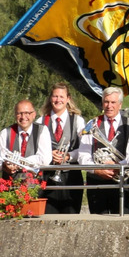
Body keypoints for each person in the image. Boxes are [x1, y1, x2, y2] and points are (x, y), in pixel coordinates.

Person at [78, 87, 129, 214]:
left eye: (113, 102)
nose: (109, 106)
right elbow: (83, 155)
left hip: (122, 182)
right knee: (97, 224)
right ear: (102, 103)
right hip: (97, 183)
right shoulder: (92, 123)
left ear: (120, 104)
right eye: (106, 102)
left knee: (124, 222)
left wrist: (118, 166)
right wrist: (97, 169)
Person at [39, 83, 86, 214]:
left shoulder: (78, 121)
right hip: (48, 176)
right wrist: (49, 154)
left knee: (71, 217)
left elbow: (84, 148)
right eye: (55, 96)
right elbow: (36, 149)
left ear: (68, 99)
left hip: (71, 175)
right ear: (50, 98)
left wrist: (68, 156)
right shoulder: (40, 121)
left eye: (61, 96)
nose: (58, 100)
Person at [0, 100, 52, 181]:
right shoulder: (5, 133)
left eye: (27, 113)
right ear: (15, 115)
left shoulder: (42, 130)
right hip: (10, 185)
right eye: (19, 113)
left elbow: (45, 159)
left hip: (35, 184)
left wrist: (18, 162)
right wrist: (4, 165)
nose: (23, 117)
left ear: (34, 114)